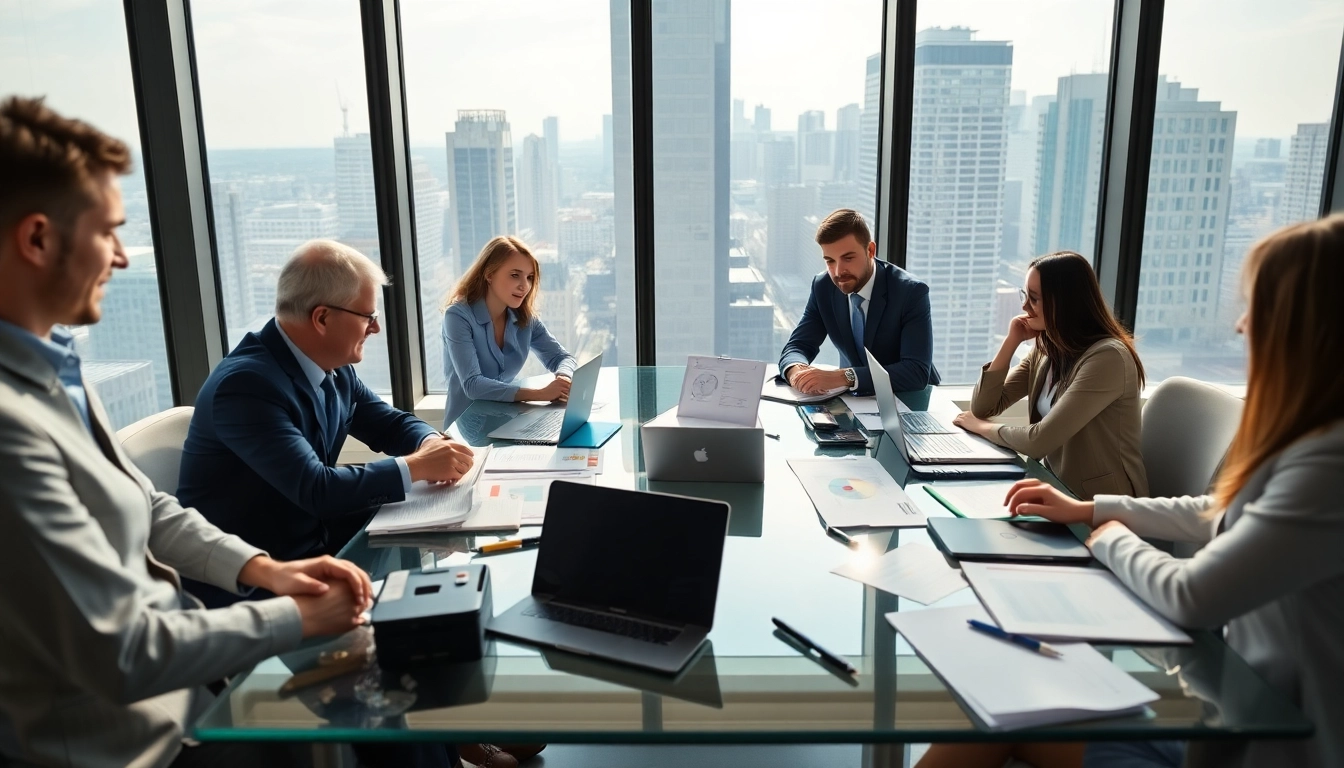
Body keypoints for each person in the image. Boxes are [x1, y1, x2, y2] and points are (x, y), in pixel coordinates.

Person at [0, 95, 377, 768]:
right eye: (109, 231)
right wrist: (294, 618)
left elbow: (146, 507)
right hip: (124, 749)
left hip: (188, 702)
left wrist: (268, 570)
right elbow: (117, 653)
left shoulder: (55, 368)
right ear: (37, 240)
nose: (120, 256)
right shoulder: (8, 430)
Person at [989, 215, 1343, 768]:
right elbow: (1215, 511)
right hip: (1218, 711)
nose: (1241, 326)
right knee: (1010, 696)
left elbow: (1192, 595)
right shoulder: (1310, 434)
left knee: (1003, 711)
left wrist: (1106, 534)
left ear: (1312, 326)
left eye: (1258, 306)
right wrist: (1090, 508)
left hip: (1261, 745)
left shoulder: (1330, 465)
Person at [177, 241, 477, 608]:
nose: (377, 328)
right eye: (368, 316)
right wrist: (416, 466)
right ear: (322, 318)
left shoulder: (334, 367)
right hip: (257, 581)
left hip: (319, 546)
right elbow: (315, 489)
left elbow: (389, 424)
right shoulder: (245, 387)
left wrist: (428, 442)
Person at [952, 251, 1149, 500]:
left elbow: (1039, 441)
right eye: (1025, 296)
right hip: (1056, 488)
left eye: (1033, 299)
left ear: (1065, 303)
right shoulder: (1047, 349)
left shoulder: (1108, 359)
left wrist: (982, 428)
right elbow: (983, 407)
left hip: (1101, 503)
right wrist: (1012, 341)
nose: (1024, 307)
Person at [779, 208, 938, 396]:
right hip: (854, 402)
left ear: (870, 250)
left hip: (911, 400)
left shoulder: (910, 292)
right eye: (830, 261)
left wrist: (844, 377)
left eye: (848, 258)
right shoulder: (824, 286)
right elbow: (797, 346)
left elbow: (915, 372)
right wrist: (797, 373)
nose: (838, 272)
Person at [441, 235, 576, 428]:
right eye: (515, 275)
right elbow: (473, 385)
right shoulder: (457, 316)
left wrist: (562, 379)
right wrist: (541, 394)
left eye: (529, 277)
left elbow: (563, 358)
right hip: (465, 432)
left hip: (507, 423)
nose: (525, 286)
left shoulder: (525, 318)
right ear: (489, 274)